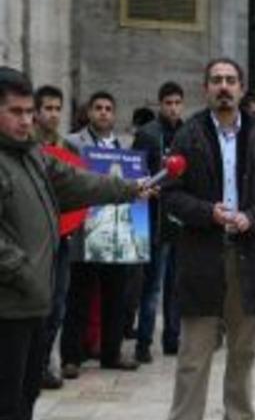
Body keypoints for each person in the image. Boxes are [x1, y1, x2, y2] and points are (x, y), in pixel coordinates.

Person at [0, 66, 154, 420]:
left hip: (35, 304)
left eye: (29, 111)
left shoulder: (32, 154)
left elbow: (77, 181)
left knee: (24, 399)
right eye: (15, 112)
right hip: (8, 308)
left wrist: (129, 188)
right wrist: (25, 273)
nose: (27, 120)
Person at [162, 58, 255, 420]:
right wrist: (206, 212)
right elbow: (171, 193)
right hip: (202, 256)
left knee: (244, 353)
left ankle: (239, 415)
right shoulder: (189, 134)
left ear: (242, 88)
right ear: (206, 89)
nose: (224, 87)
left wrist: (254, 217)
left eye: (231, 81)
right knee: (193, 355)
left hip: (250, 256)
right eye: (216, 80)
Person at [60, 91, 142, 377]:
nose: (104, 113)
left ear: (114, 114)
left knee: (116, 295)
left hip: (117, 231)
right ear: (89, 112)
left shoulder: (125, 145)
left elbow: (133, 185)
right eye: (98, 108)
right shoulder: (73, 142)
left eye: (109, 108)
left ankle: (111, 353)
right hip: (85, 230)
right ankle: (71, 356)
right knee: (79, 296)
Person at [133, 81, 185, 363]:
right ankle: (143, 342)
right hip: (155, 220)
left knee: (176, 284)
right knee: (152, 285)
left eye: (178, 103)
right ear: (160, 104)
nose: (174, 108)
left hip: (181, 221)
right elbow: (134, 173)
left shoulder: (189, 133)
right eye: (169, 103)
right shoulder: (148, 134)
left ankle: (172, 339)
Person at [31, 85, 76, 390]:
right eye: (47, 108)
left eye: (58, 108)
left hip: (63, 236)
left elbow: (78, 187)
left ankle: (44, 363)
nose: (53, 114)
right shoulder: (26, 147)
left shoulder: (69, 149)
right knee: (35, 303)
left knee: (58, 304)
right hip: (34, 240)